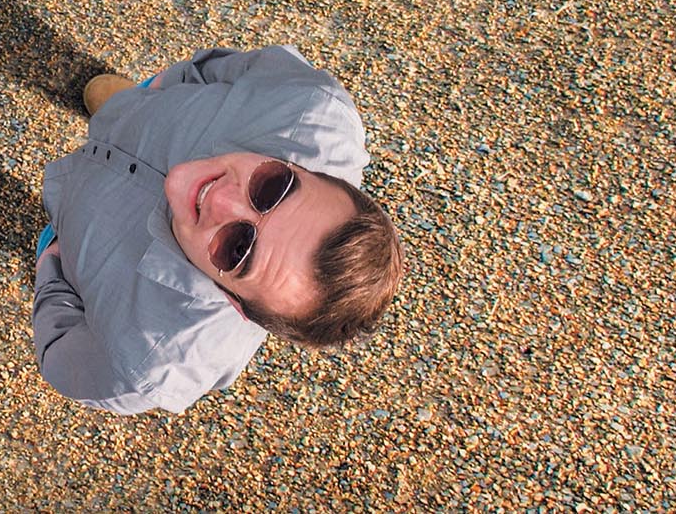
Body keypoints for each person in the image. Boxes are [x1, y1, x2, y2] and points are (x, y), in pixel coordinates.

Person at [31, 45, 402, 414]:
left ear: (236, 305)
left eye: (238, 248)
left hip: (67, 212)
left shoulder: (146, 367)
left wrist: (52, 265)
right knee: (123, 105)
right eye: (274, 187)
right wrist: (156, 92)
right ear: (311, 169)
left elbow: (60, 350)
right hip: (137, 115)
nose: (222, 199)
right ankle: (122, 107)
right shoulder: (311, 108)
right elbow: (217, 69)